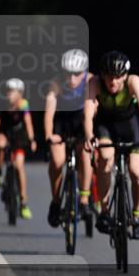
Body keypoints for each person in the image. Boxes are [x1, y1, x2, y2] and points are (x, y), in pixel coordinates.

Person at [83, 51, 139, 238]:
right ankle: (104, 212)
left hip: (130, 126)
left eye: (118, 77)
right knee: (105, 159)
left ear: (125, 75)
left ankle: (137, 216)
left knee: (137, 171)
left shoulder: (133, 82)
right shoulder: (94, 83)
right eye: (109, 77)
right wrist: (89, 135)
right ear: (102, 75)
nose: (113, 82)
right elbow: (88, 114)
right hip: (106, 127)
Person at [45, 49, 93, 227]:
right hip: (62, 124)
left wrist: (90, 136)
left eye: (76, 74)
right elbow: (49, 113)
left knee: (85, 155)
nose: (72, 79)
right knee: (57, 161)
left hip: (82, 122)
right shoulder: (56, 83)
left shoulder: (90, 81)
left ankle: (85, 200)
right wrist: (49, 135)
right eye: (68, 73)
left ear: (84, 71)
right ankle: (56, 201)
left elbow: (92, 110)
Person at [0, 78, 37, 219]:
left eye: (12, 91)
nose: (9, 94)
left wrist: (32, 139)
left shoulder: (23, 105)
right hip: (5, 133)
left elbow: (28, 123)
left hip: (19, 136)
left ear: (20, 94)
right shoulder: (1, 104)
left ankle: (23, 201)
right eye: (7, 91)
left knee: (19, 165)